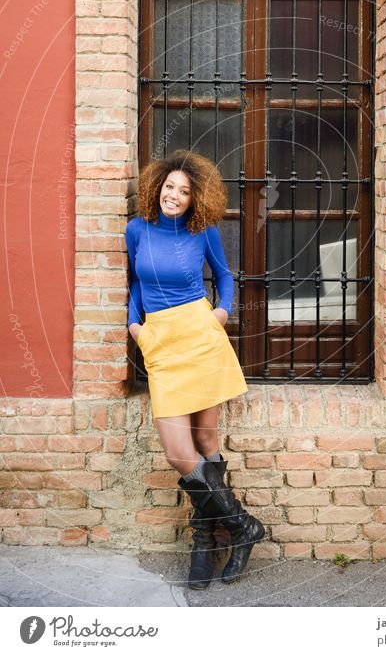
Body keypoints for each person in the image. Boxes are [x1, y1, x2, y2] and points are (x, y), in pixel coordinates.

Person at [125, 149, 264, 589]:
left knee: (205, 440)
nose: (175, 195)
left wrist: (220, 314)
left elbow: (225, 276)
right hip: (161, 341)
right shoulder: (136, 230)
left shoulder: (202, 232)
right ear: (157, 188)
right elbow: (133, 282)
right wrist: (136, 328)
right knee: (179, 453)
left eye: (184, 191)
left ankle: (204, 545)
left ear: (194, 199)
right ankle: (243, 527)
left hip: (201, 336)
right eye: (169, 187)